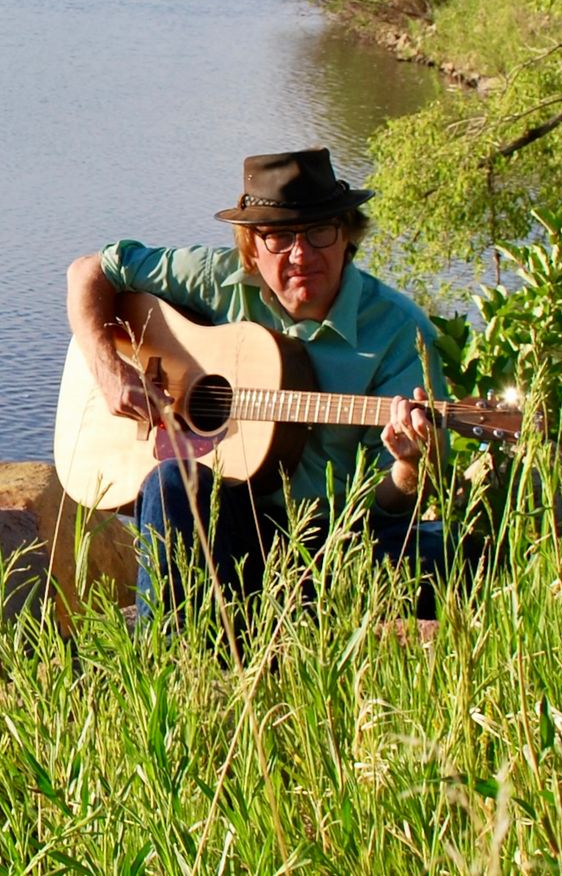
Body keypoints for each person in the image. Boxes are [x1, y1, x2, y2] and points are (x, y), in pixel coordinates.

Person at [64, 148, 473, 629]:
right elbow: (88, 271)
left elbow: (391, 506)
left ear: (347, 235)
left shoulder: (398, 332)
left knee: (455, 558)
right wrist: (109, 368)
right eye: (279, 237)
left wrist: (411, 464)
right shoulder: (216, 278)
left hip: (335, 541)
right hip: (229, 524)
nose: (302, 255)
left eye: (320, 232)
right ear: (251, 246)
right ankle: (171, 653)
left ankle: (264, 622)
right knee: (172, 482)